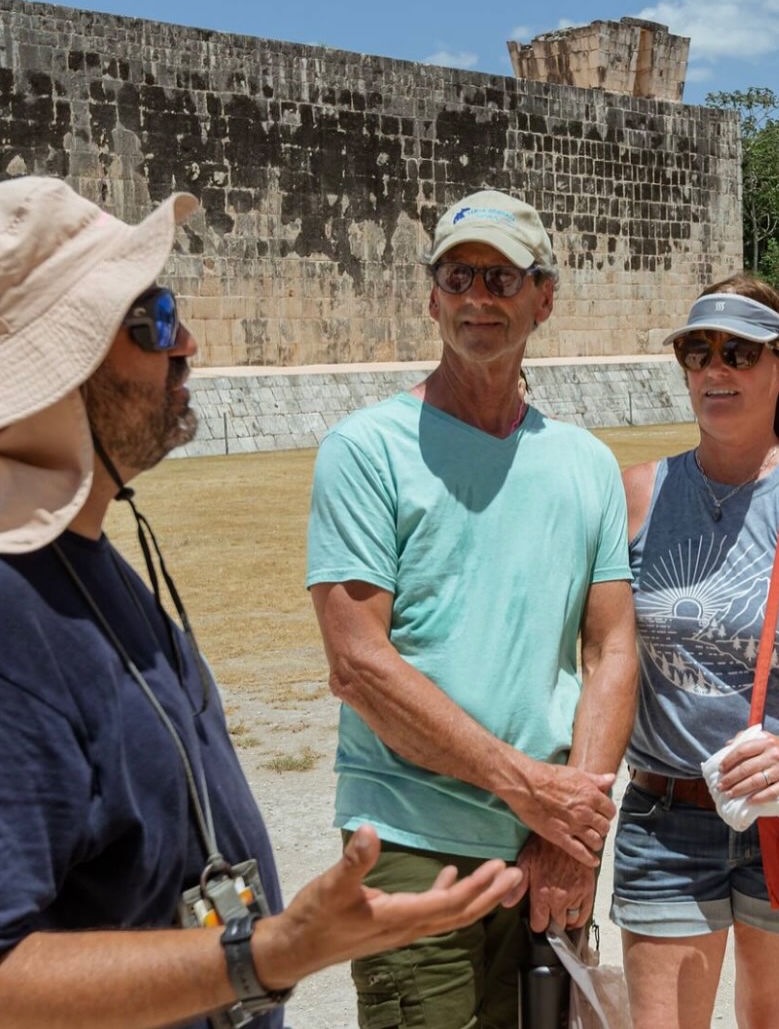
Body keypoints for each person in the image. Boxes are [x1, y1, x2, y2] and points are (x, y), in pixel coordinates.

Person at [0, 175, 525, 1029]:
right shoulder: (13, 612)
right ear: (70, 358)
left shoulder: (85, 567)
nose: (190, 342)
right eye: (156, 319)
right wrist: (269, 953)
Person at [306, 188, 639, 1028]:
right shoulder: (367, 449)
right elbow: (359, 667)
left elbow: (610, 652)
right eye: (458, 277)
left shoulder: (585, 463)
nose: (478, 298)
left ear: (545, 297)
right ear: (431, 297)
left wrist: (571, 837)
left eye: (501, 276)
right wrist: (529, 790)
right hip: (417, 847)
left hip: (549, 849)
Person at [610, 273, 779, 1029]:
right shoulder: (636, 494)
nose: (714, 370)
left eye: (738, 351)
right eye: (697, 352)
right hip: (666, 817)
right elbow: (597, 658)